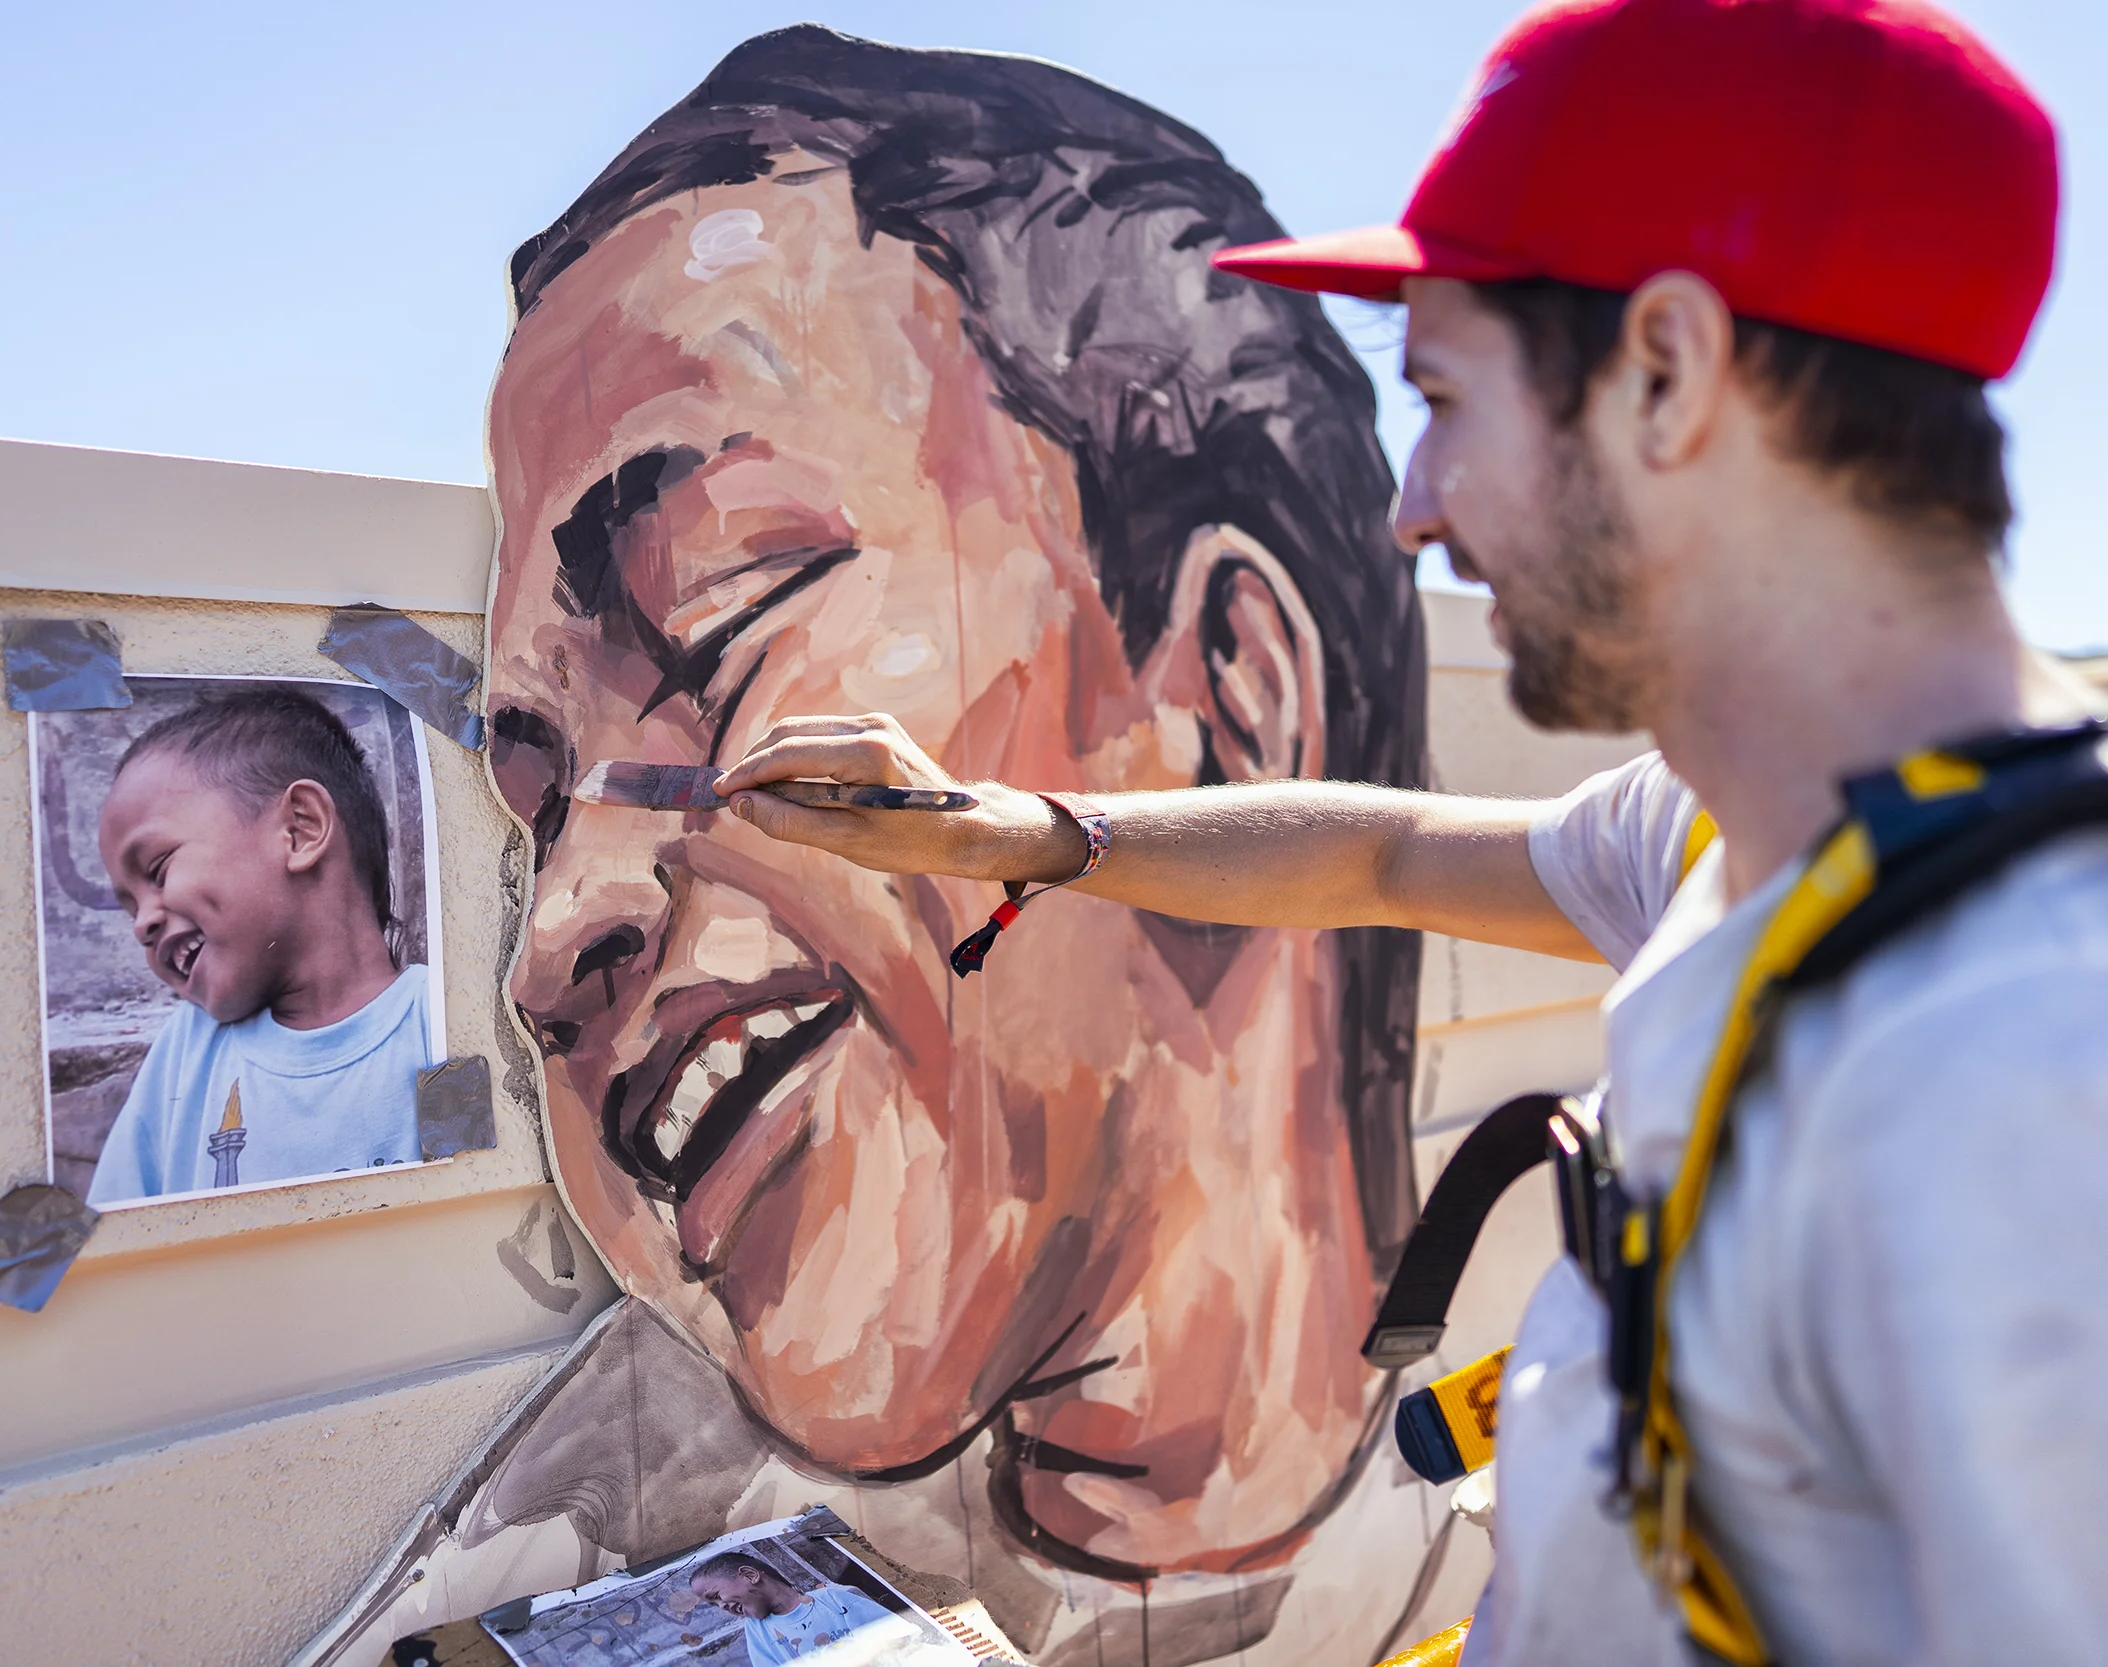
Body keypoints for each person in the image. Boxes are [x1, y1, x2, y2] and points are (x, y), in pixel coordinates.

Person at [716, 0, 2108, 1661]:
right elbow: (1382, 852)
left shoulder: (2021, 1054)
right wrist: (1009, 829)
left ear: (1667, 376)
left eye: (1442, 397)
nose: (1412, 504)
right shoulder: (1741, 836)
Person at [472, 26, 1465, 1665]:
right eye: (538, 800)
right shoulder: (551, 1549)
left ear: (1233, 693)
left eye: (721, 604)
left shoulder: (1611, 1384)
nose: (550, 928)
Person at [87, 687, 431, 1204]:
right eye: (131, 908)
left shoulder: (437, 1021)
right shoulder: (186, 1052)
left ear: (299, 830)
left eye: (157, 870)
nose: (142, 926)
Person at [689, 1552, 904, 1667]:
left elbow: (898, 1638)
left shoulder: (834, 1599)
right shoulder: (756, 1630)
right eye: (714, 1605)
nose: (722, 1606)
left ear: (749, 1575)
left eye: (717, 1596)